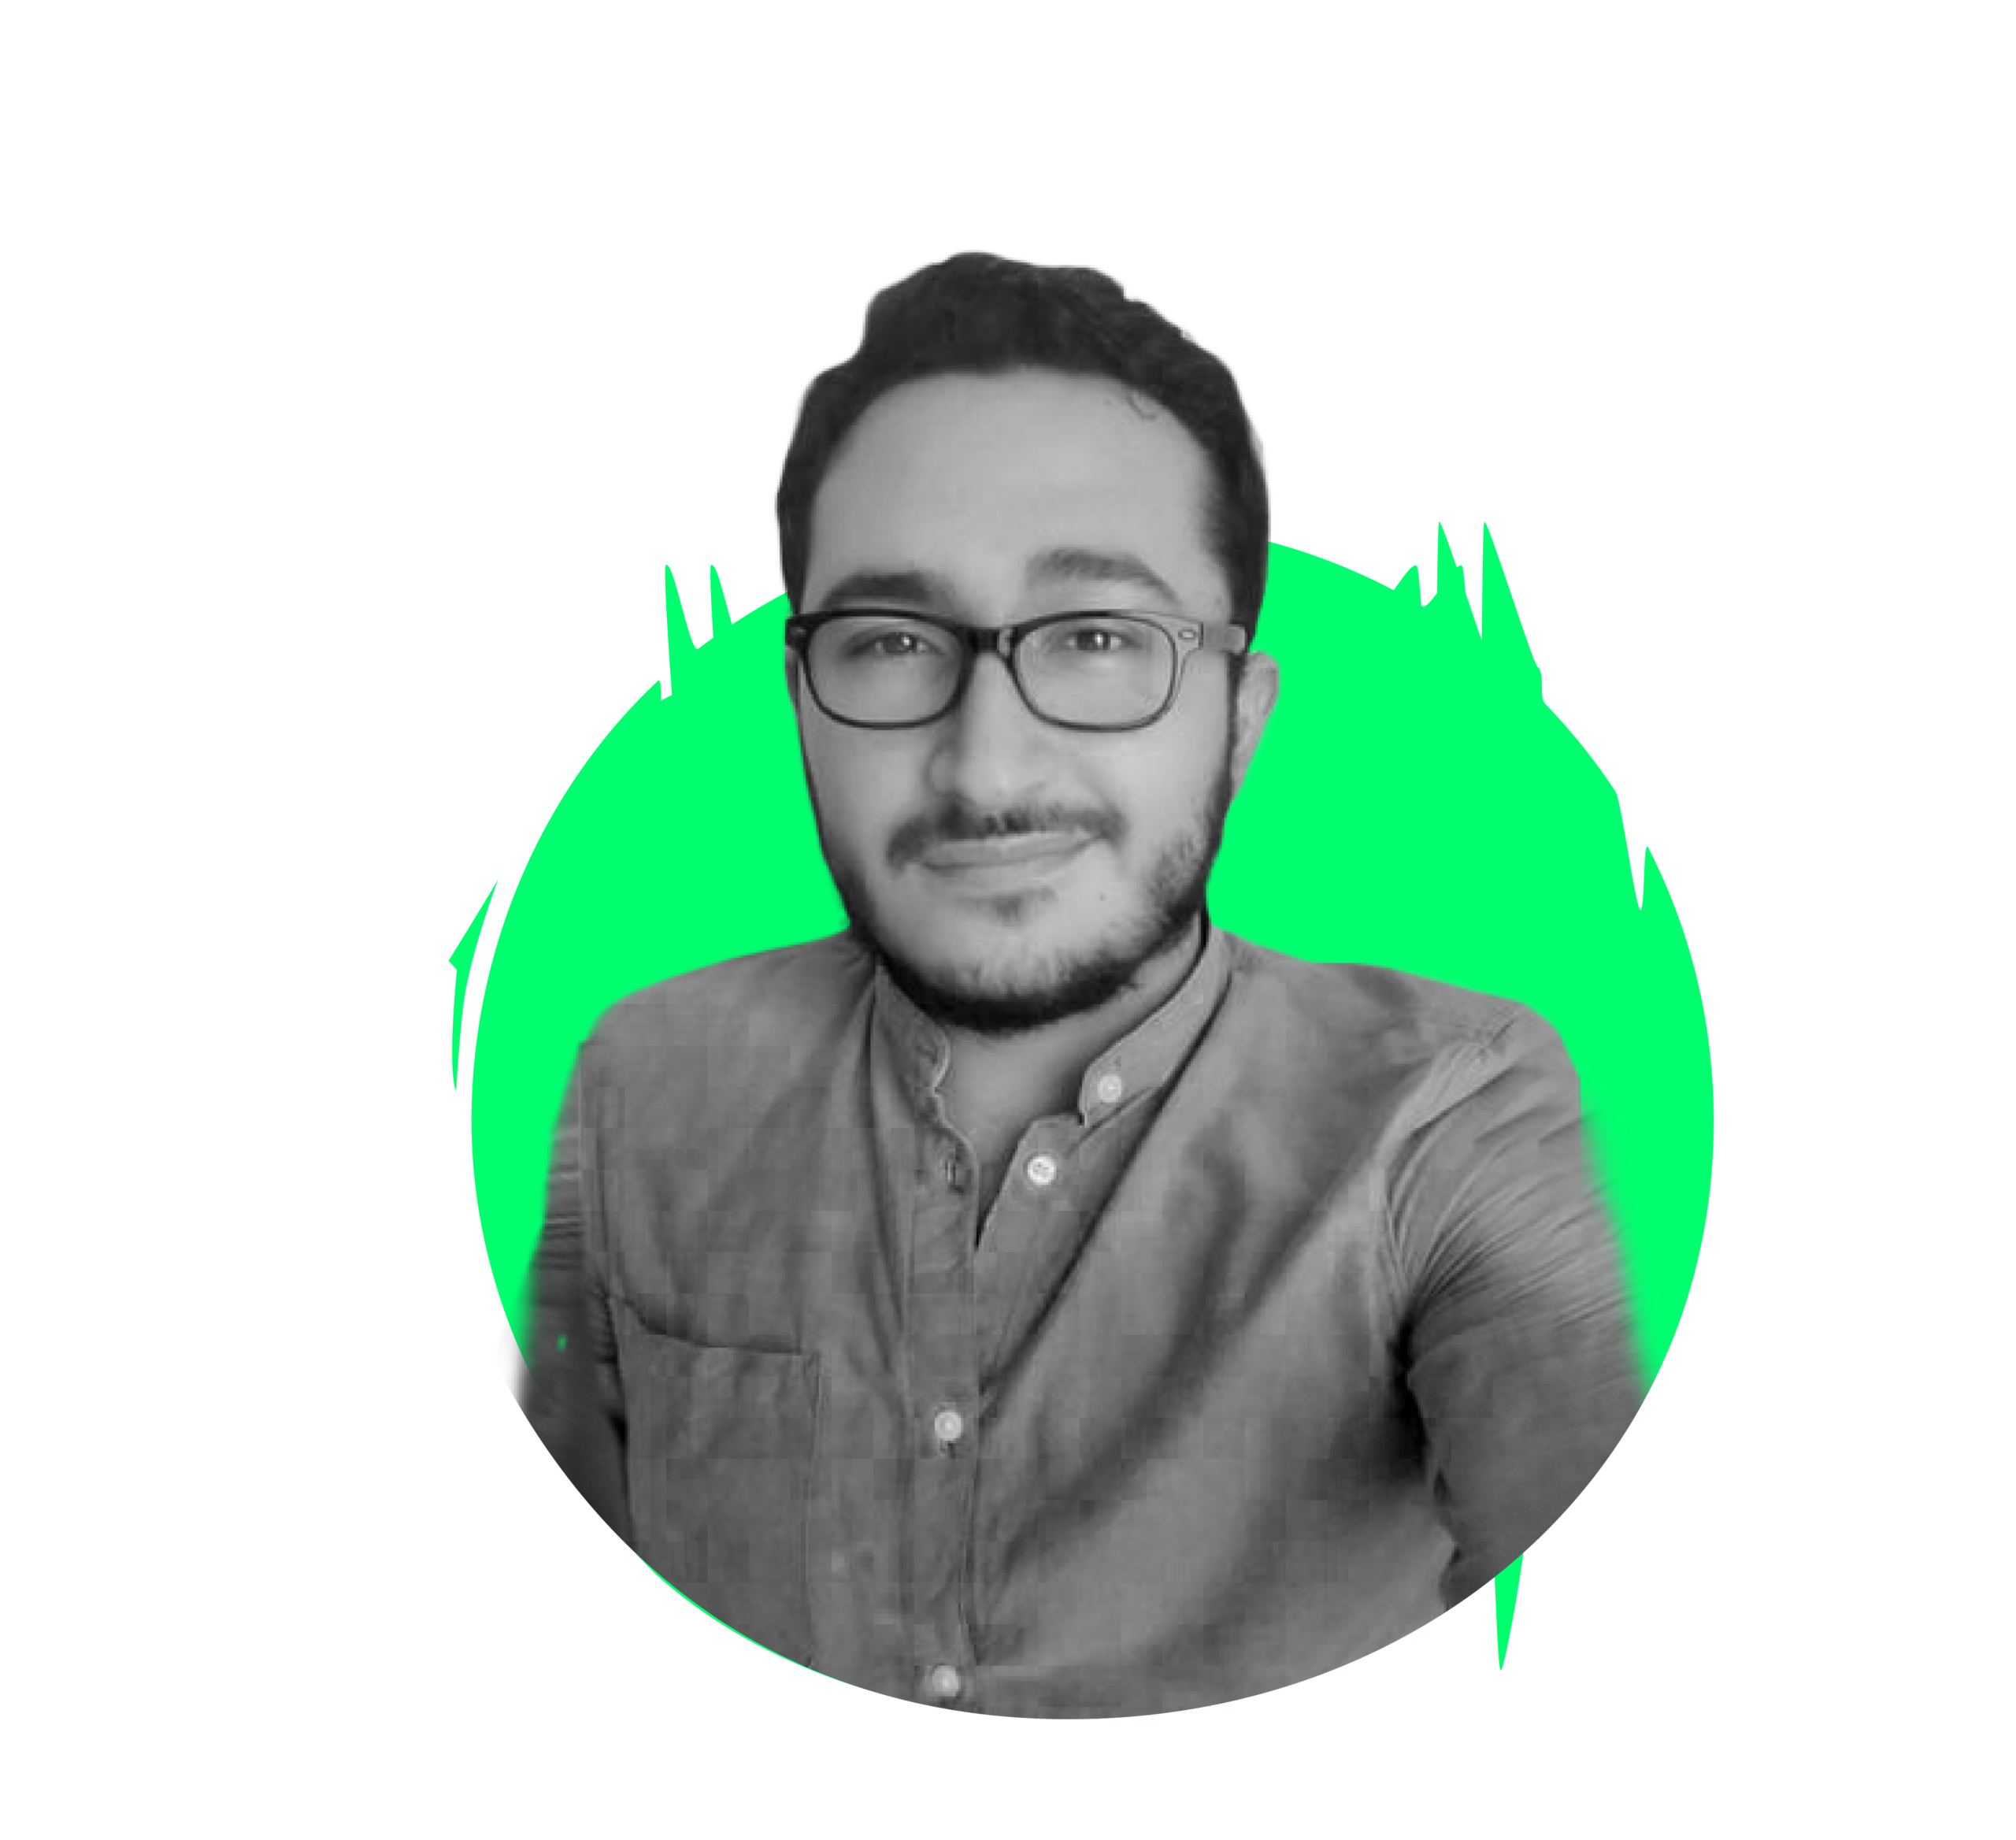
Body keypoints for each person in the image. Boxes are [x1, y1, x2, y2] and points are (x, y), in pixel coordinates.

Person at [512, 248, 1644, 1727]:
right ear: (800, 699)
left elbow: (1633, 1603)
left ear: (1240, 716)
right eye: (890, 642)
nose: (986, 768)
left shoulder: (1450, 1117)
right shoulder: (644, 1079)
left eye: (1099, 638)